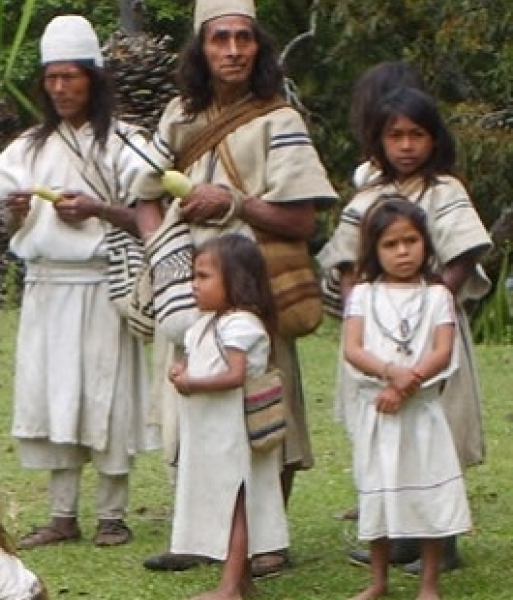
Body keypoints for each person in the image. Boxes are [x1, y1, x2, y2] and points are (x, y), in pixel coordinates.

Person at [130, 0, 338, 576]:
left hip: (256, 287)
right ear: (201, 47)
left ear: (258, 47)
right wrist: (161, 249)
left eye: (243, 39)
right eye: (219, 38)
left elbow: (301, 222)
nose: (232, 50)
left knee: (266, 410)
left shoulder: (280, 120)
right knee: (188, 410)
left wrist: (235, 203)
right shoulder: (177, 114)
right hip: (188, 291)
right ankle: (200, 534)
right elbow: (144, 195)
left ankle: (268, 542)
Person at [0, 14, 155, 551]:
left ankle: (112, 513)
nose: (60, 88)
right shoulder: (29, 146)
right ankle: (61, 513)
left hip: (104, 284)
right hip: (47, 285)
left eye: (71, 77)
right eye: (52, 78)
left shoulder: (127, 144)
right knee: (54, 394)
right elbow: (14, 222)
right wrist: (16, 212)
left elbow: (152, 216)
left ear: (93, 79)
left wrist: (99, 208)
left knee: (106, 394)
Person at [317, 87, 489, 575]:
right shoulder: (369, 196)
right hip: (375, 334)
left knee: (436, 435)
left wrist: (434, 297)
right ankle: (394, 535)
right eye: (396, 136)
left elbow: (463, 253)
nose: (407, 146)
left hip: (433, 332)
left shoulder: (445, 191)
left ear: (434, 140)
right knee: (382, 436)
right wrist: (359, 308)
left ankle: (442, 538)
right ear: (379, 140)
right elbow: (347, 258)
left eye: (417, 135)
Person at [339, 200, 471, 600]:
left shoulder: (437, 296)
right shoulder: (363, 294)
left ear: (425, 244)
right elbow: (353, 347)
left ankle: (429, 583)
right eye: (390, 244)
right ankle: (379, 580)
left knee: (427, 493)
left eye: (410, 241)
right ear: (374, 250)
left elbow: (442, 350)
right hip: (377, 413)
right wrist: (388, 374)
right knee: (376, 493)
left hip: (421, 412)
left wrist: (404, 384)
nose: (402, 252)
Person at [166, 235, 287, 600]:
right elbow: (202, 361)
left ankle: (230, 586)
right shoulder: (204, 324)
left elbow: (235, 376)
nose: (194, 284)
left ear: (236, 281)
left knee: (236, 503)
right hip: (210, 433)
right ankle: (242, 581)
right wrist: (182, 371)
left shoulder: (242, 325)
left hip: (234, 435)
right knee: (223, 502)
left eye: (203, 277)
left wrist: (191, 383)